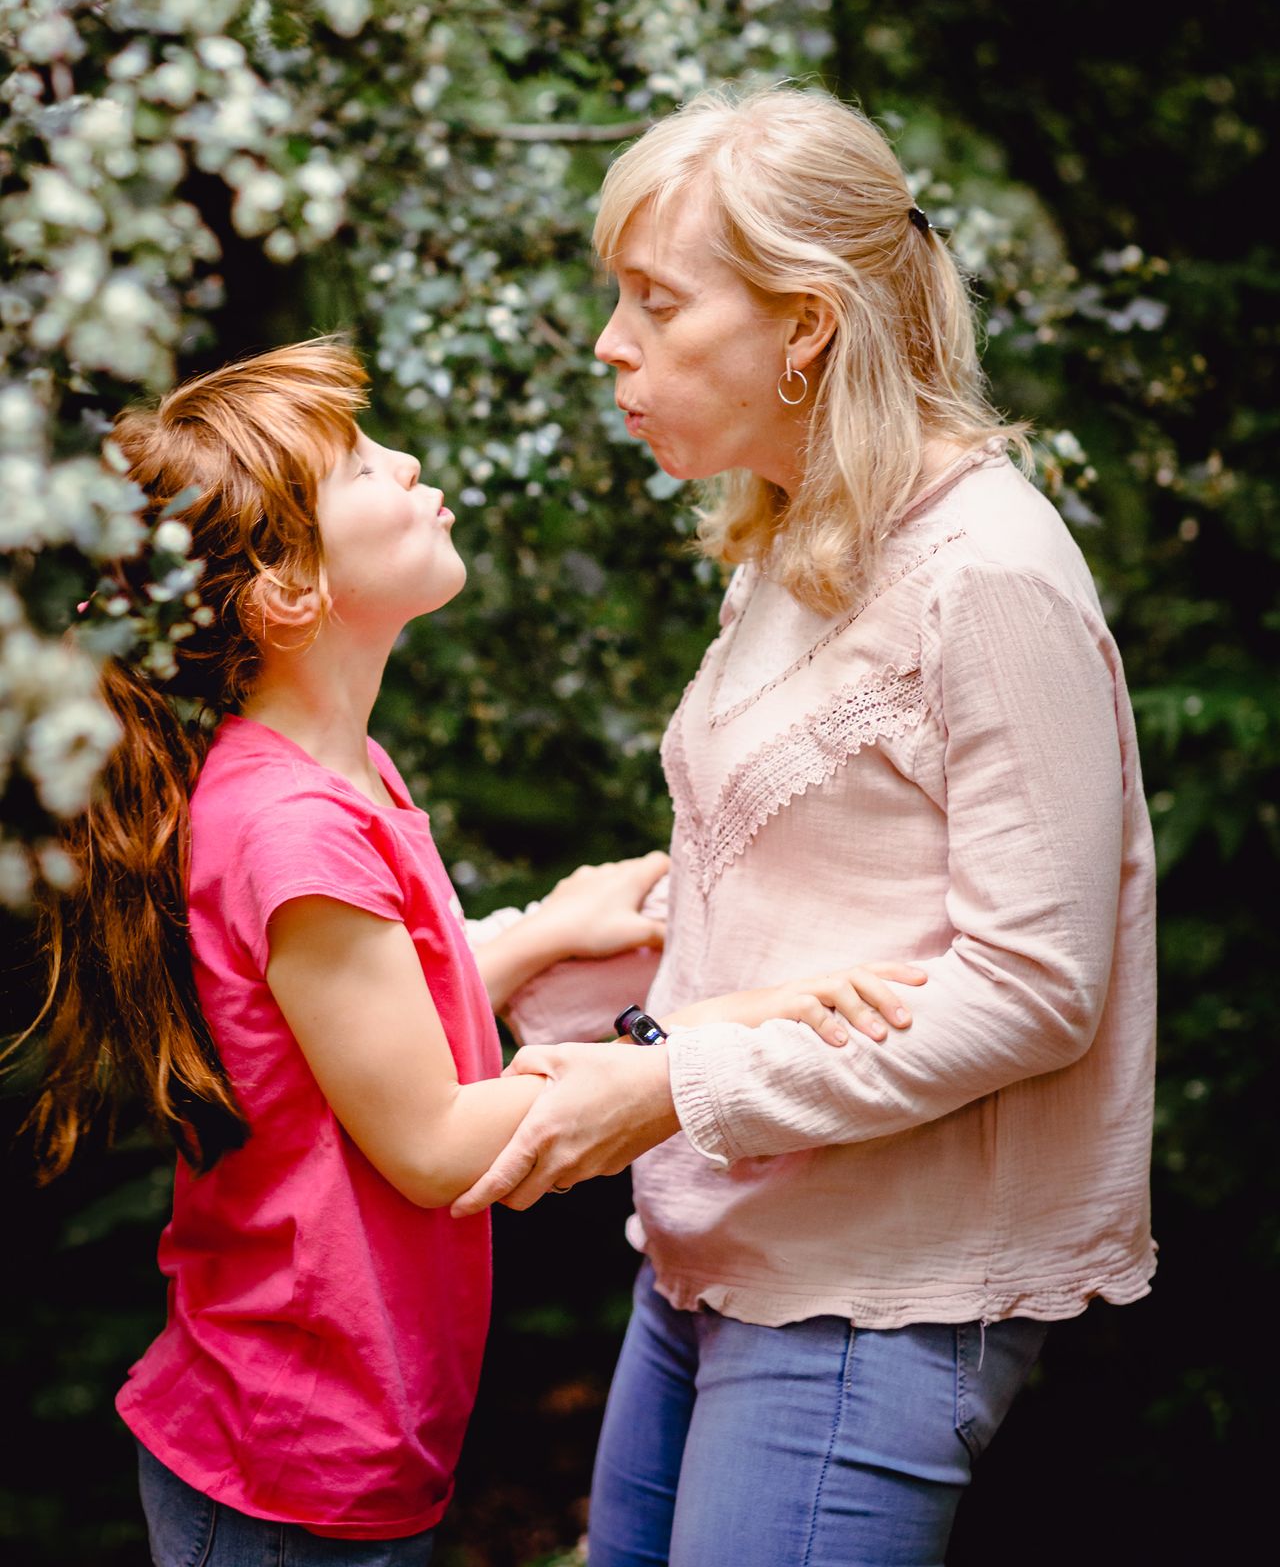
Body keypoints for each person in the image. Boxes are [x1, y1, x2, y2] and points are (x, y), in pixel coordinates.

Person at [17, 337, 923, 1566]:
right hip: (287, 1470)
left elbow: (340, 1047)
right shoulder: (293, 829)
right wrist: (723, 1026)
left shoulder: (323, 775)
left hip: (320, 1439)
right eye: (359, 465)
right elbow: (437, 1145)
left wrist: (544, 932)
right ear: (288, 591)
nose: (405, 463)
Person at [453, 86, 1159, 1567]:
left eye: (656, 301)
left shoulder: (990, 574)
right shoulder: (793, 540)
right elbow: (796, 895)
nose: (610, 344)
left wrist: (667, 1088)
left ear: (805, 326)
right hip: (710, 1251)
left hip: (869, 1297)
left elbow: (1036, 990)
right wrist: (565, 983)